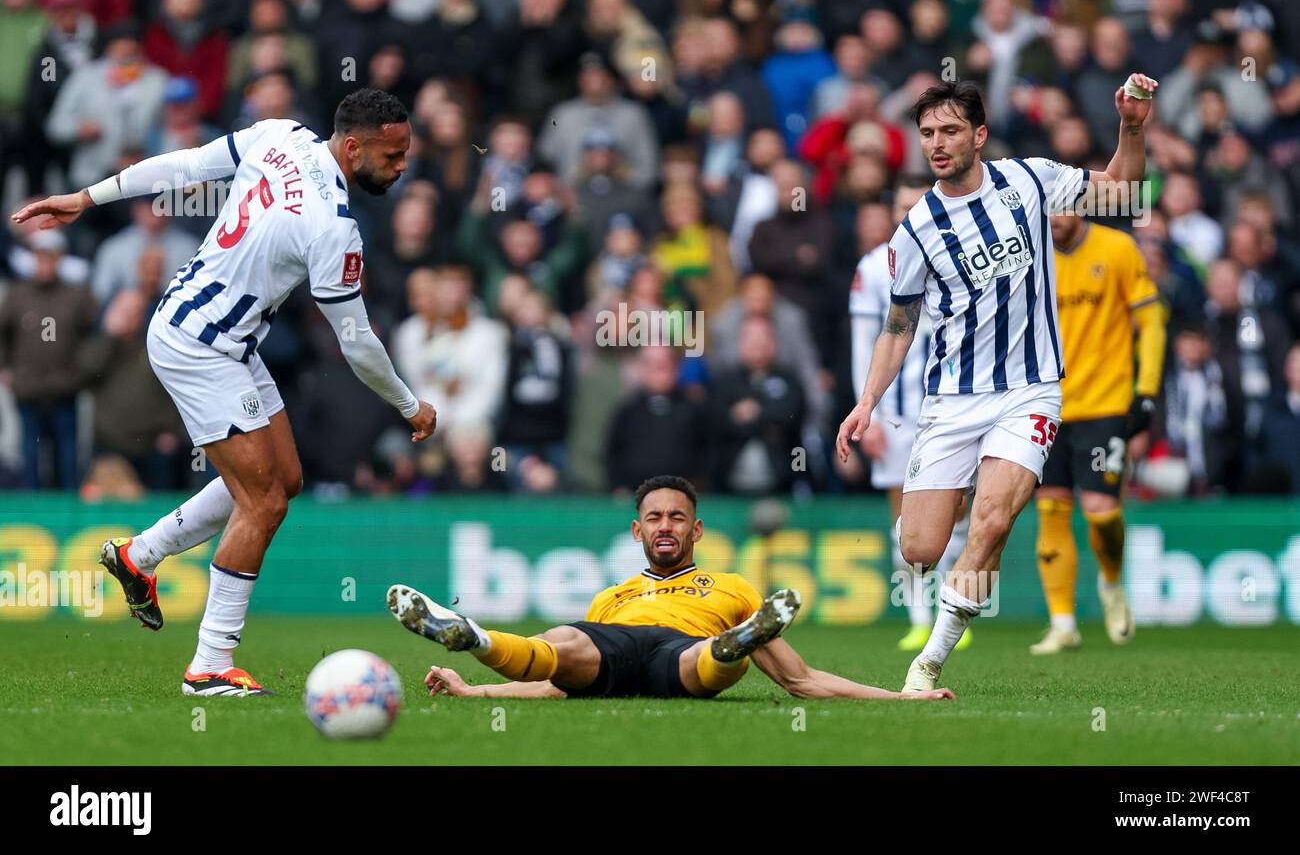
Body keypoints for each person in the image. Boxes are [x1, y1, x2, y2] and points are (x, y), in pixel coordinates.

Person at [10, 88, 437, 696]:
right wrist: (408, 404)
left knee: (282, 480)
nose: (401, 166)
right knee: (263, 503)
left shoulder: (281, 135)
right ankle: (209, 665)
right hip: (200, 345)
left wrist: (87, 196)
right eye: (393, 155)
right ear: (352, 146)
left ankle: (139, 556)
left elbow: (183, 166)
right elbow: (358, 342)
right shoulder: (335, 228)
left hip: (213, 333)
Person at [835, 75, 1157, 691]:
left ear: (979, 135)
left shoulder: (1030, 180)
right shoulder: (914, 231)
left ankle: (926, 665)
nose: (937, 142)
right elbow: (898, 328)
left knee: (990, 526)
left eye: (950, 130)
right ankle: (962, 533)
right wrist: (867, 402)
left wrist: (1132, 128)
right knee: (921, 550)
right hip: (952, 398)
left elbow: (1121, 192)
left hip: (1030, 389)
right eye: (927, 132)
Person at [388, 475, 955, 701]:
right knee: (563, 643)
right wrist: (474, 692)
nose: (665, 526)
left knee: (711, 657)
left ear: (696, 530)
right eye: (654, 518)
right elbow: (555, 686)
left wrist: (900, 699)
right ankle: (474, 640)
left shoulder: (731, 585)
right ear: (637, 531)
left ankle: (738, 643)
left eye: (677, 518)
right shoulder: (610, 597)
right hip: (613, 653)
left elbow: (800, 678)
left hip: (681, 657)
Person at [1031, 207, 1165, 654]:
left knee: (1101, 512)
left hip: (1106, 404)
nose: (1051, 217)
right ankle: (1063, 622)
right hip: (1044, 404)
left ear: (1081, 203)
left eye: (1060, 206)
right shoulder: (1029, 254)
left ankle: (1110, 583)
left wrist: (1145, 391)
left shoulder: (1117, 248)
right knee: (1051, 510)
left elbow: (1150, 322)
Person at [850, 172, 972, 652]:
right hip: (897, 414)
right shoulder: (874, 267)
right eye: (900, 208)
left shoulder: (963, 255)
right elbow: (864, 341)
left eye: (915, 206)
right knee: (907, 521)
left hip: (954, 405)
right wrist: (869, 411)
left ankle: (952, 610)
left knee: (957, 512)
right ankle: (920, 617)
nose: (908, 216)